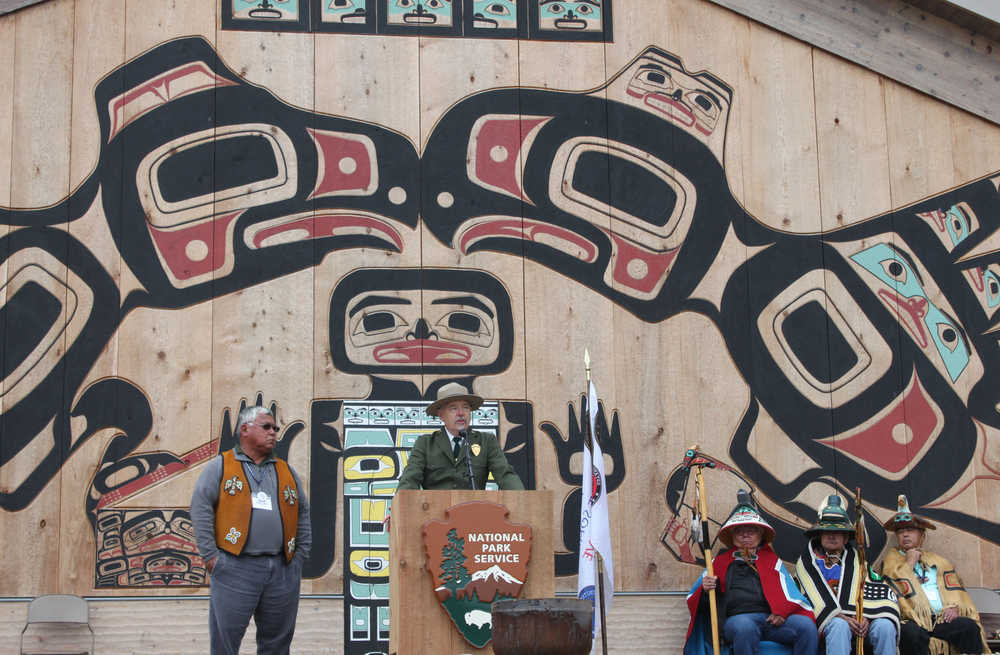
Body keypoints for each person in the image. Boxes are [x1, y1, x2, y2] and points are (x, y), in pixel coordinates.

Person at [190, 406, 311, 655]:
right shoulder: (220, 466)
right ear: (244, 429)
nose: (273, 432)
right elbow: (200, 507)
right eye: (266, 427)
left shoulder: (286, 470)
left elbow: (303, 512)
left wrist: (299, 557)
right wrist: (211, 558)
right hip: (235, 567)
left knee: (277, 645)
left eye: (275, 428)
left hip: (282, 569)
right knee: (225, 644)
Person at [685, 490, 818, 655]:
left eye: (751, 530)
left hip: (771, 621)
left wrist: (781, 612)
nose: (745, 534)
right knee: (745, 628)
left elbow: (791, 595)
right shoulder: (718, 563)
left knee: (806, 627)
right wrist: (705, 591)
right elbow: (700, 604)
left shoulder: (772, 561)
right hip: (736, 621)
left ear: (761, 534)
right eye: (739, 530)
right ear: (732, 536)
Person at [878, 495, 988, 655]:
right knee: (911, 635)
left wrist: (954, 607)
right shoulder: (891, 562)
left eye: (910, 530)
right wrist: (909, 564)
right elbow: (893, 592)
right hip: (911, 619)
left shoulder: (939, 561)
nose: (905, 535)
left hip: (941, 619)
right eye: (901, 532)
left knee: (968, 627)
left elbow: (955, 591)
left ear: (922, 535)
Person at [795, 494, 899, 655]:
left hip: (861, 621)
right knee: (839, 626)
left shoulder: (858, 562)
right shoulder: (807, 563)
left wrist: (868, 617)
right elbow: (807, 599)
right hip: (828, 622)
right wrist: (841, 617)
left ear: (845, 538)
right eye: (827, 531)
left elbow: (877, 591)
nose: (831, 535)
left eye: (838, 532)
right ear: (820, 535)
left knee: (884, 626)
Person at [396, 382, 524, 490]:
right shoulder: (425, 443)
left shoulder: (486, 441)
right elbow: (410, 479)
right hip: (435, 515)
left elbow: (505, 475)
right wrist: (400, 506)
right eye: (453, 408)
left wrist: (521, 500)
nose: (461, 413)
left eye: (466, 407)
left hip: (474, 514)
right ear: (441, 415)